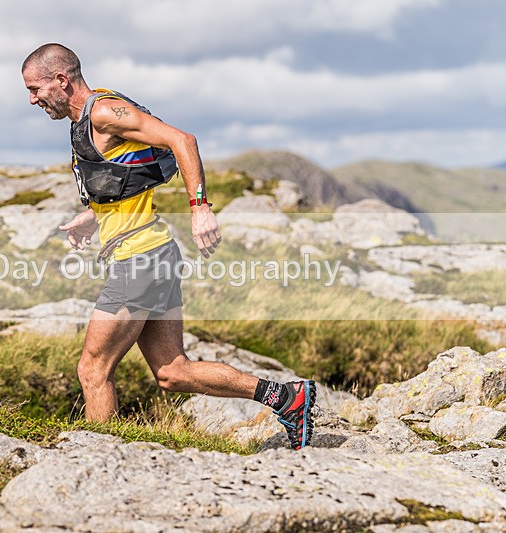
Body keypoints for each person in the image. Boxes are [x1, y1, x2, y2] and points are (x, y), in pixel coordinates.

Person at [21, 43, 315, 450]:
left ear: (61, 80)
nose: (33, 99)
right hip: (154, 254)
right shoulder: (86, 121)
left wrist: (200, 209)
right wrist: (92, 216)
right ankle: (286, 397)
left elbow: (183, 140)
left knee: (92, 369)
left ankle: (98, 459)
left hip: (139, 259)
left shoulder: (104, 112)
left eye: (35, 89)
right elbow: (125, 178)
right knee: (173, 372)